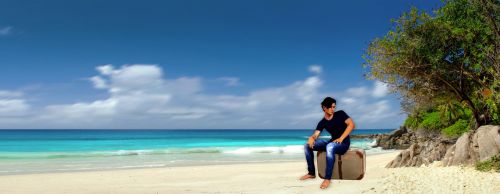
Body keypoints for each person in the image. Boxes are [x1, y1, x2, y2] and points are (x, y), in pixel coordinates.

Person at [299, 97, 355, 189]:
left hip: (343, 143)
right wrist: (311, 138)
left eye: (334, 107)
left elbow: (351, 124)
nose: (333, 109)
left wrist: (341, 138)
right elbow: (316, 134)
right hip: (332, 142)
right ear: (324, 108)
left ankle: (327, 178)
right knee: (307, 146)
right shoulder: (322, 122)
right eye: (331, 107)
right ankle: (311, 173)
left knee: (330, 146)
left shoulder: (340, 114)